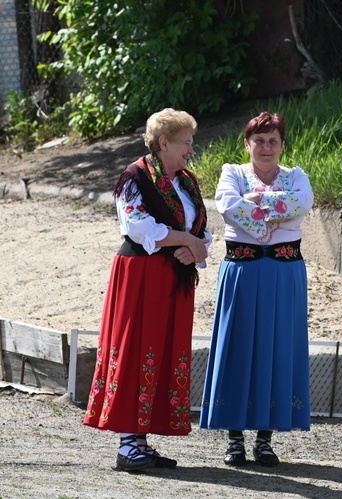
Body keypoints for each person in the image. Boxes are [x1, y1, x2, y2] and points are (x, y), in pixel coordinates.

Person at [83, 108, 212, 471]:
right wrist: (186, 240)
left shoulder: (185, 181)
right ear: (164, 143)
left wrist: (194, 247)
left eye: (191, 142)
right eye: (186, 142)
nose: (191, 149)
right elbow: (139, 227)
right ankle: (128, 445)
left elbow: (200, 228)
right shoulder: (135, 177)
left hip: (173, 278)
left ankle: (141, 441)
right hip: (141, 275)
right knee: (138, 347)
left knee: (162, 350)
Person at [200, 111, 314, 467]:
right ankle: (234, 439)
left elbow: (303, 204)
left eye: (273, 141)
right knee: (238, 346)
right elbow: (228, 206)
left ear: (282, 145)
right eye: (259, 140)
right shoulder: (231, 173)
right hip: (243, 271)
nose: (266, 147)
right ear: (247, 143)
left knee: (277, 348)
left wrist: (255, 205)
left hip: (284, 272)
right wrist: (280, 211)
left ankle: (265, 439)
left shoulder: (298, 176)